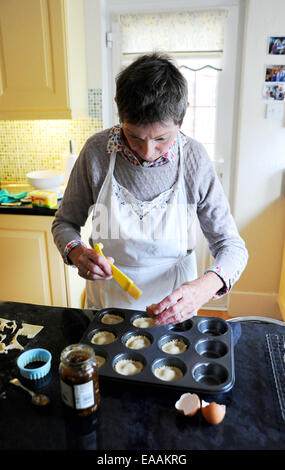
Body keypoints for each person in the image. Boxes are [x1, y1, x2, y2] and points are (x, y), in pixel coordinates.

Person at [52, 53, 248, 326]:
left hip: (175, 306)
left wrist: (202, 289)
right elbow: (64, 223)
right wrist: (76, 252)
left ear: (182, 114)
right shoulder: (96, 152)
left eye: (161, 138)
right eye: (134, 136)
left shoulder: (194, 159)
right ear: (119, 107)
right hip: (108, 305)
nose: (147, 152)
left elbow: (232, 246)